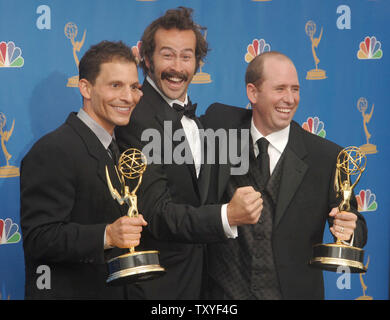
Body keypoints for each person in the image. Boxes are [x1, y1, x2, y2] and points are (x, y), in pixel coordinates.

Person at [115, 7, 262, 300]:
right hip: (159, 287)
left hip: (209, 284)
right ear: (146, 58)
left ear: (198, 62)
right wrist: (226, 216)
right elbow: (155, 213)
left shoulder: (203, 121)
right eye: (167, 55)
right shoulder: (136, 119)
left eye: (186, 56)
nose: (177, 67)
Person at [202, 51, 368, 300]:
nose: (290, 99)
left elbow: (357, 225)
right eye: (280, 88)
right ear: (252, 93)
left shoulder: (327, 157)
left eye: (295, 89)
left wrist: (349, 229)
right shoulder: (219, 128)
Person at [20, 41, 147, 299]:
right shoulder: (54, 150)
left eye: (134, 87)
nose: (128, 96)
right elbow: (39, 238)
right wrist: (107, 234)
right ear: (86, 88)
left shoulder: (121, 147)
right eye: (116, 85)